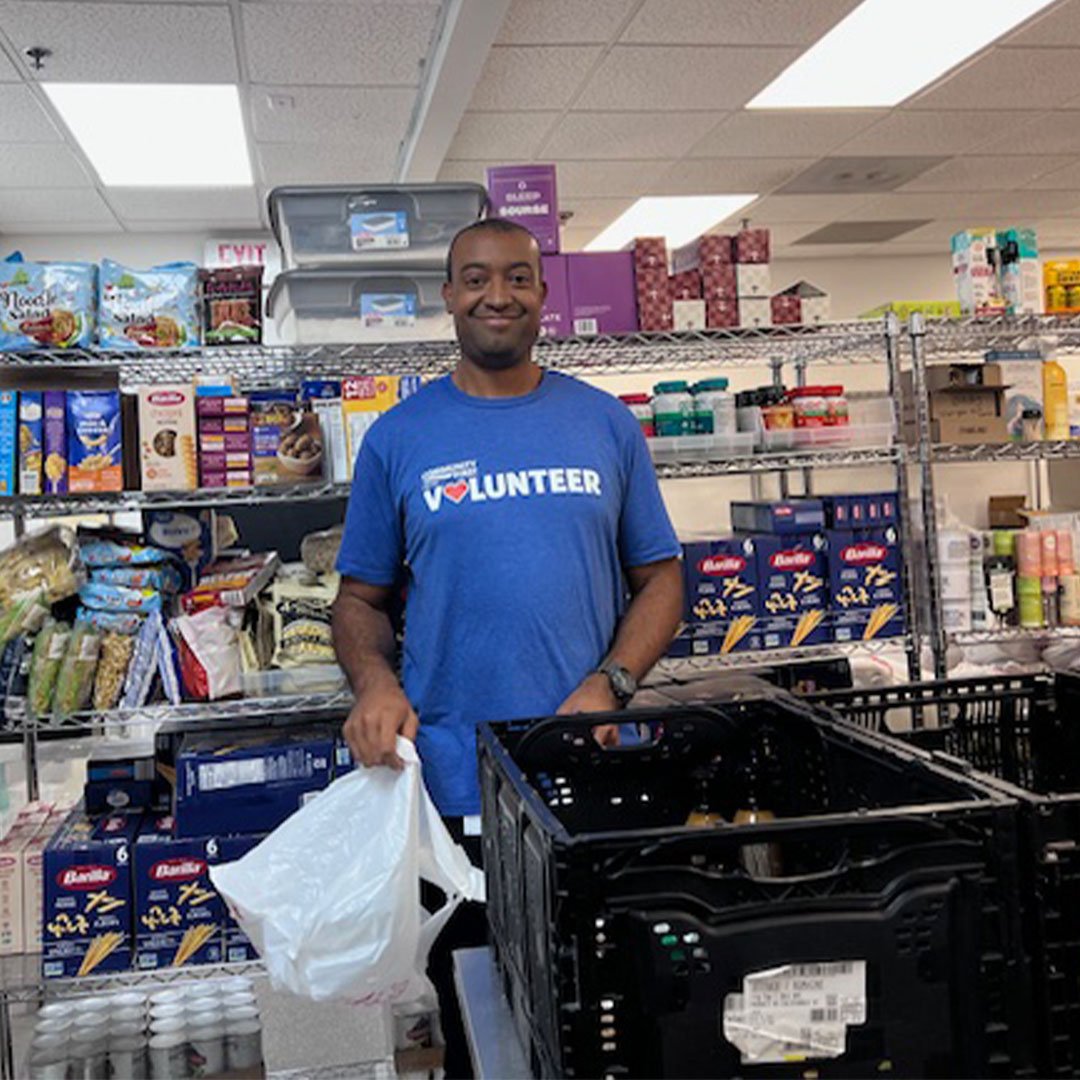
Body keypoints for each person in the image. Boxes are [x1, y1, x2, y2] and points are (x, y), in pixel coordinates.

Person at [331, 217, 684, 1076]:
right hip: (460, 785)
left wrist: (611, 683)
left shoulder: (603, 424)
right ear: (448, 297)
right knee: (485, 1021)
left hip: (591, 770)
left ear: (542, 294)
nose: (499, 295)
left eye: (519, 278)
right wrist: (373, 684)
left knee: (613, 1016)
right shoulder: (398, 438)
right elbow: (357, 601)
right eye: (477, 278)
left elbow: (663, 581)